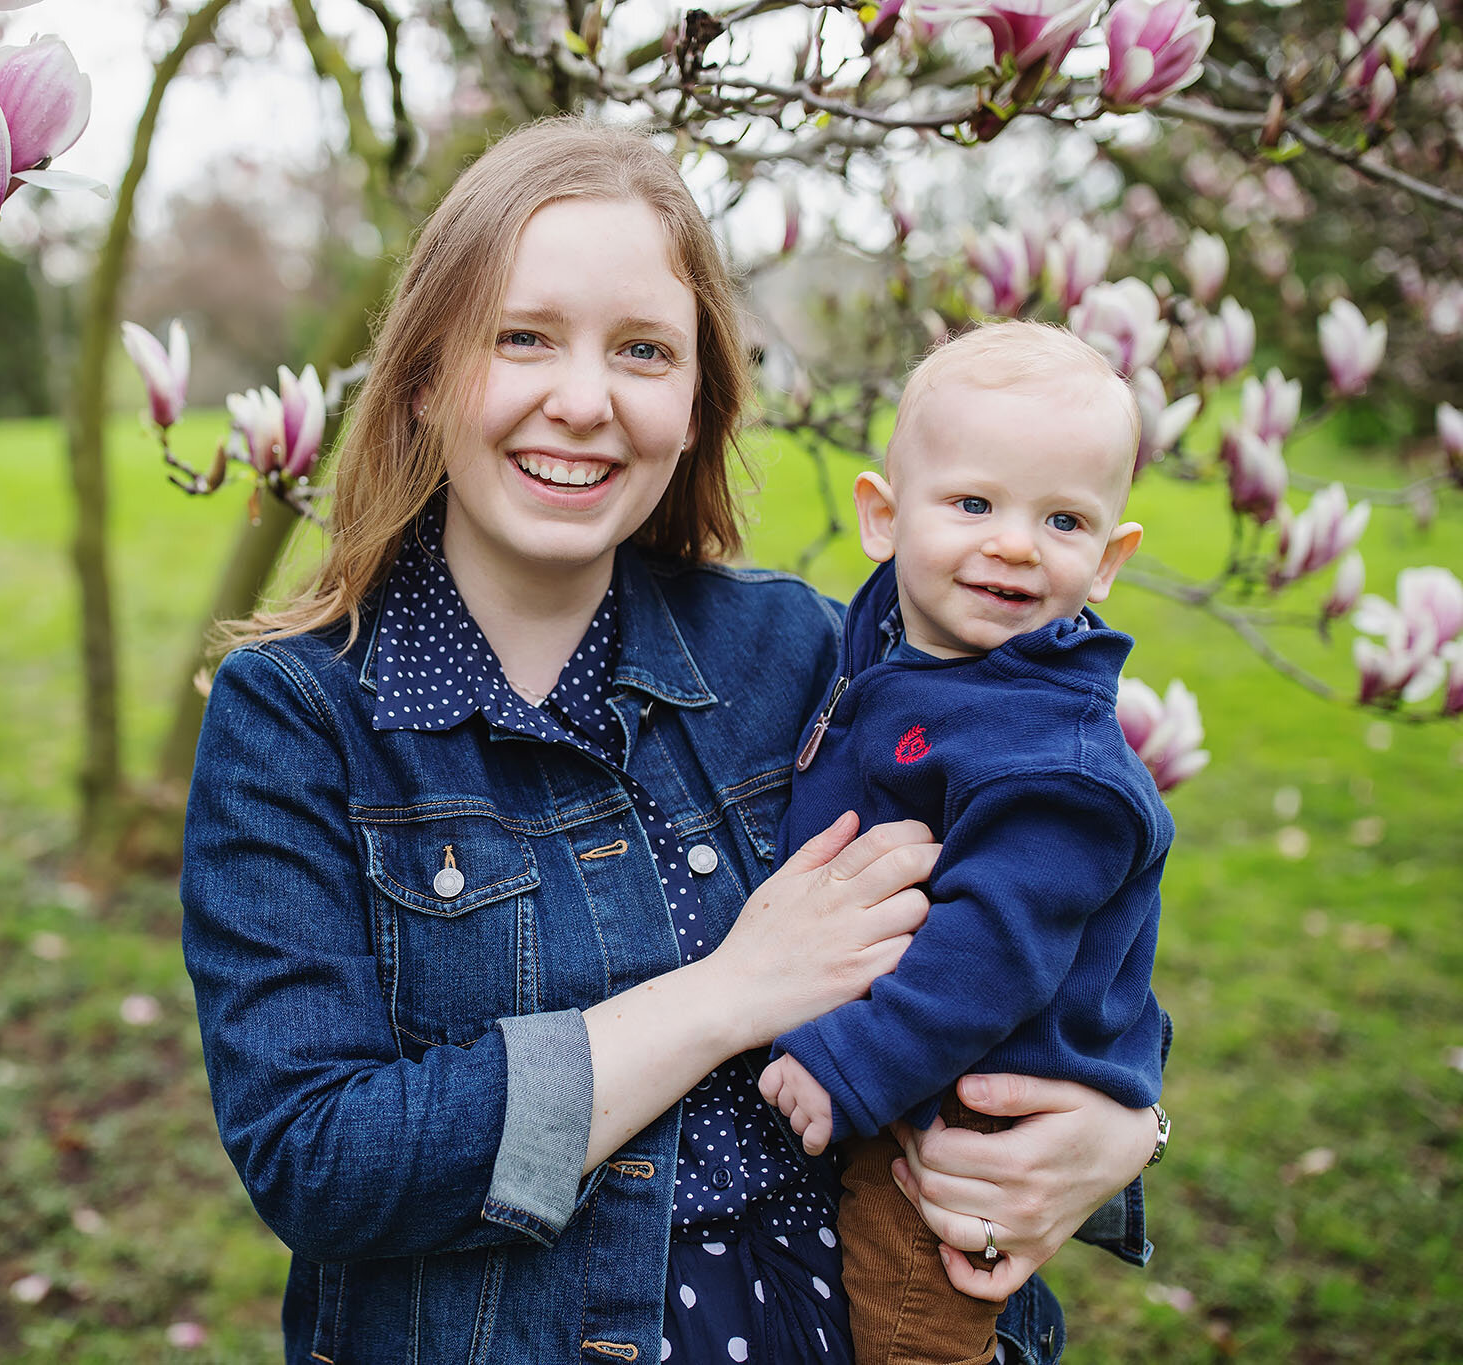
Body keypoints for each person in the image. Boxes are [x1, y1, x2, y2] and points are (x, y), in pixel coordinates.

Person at [180, 119, 1165, 1365]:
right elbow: (319, 1163)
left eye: (642, 351)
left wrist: (1121, 1130)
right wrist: (721, 996)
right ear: (426, 375)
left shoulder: (808, 655)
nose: (582, 403)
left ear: (694, 400)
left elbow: (1056, 887)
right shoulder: (299, 719)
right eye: (521, 337)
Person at [760, 321, 1172, 1365]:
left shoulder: (1050, 760)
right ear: (881, 518)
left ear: (1110, 558)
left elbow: (991, 954)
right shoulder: (910, 646)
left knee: (909, 1318)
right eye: (973, 504)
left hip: (964, 1120)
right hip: (914, 1064)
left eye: (1063, 519)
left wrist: (849, 1063)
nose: (1014, 544)